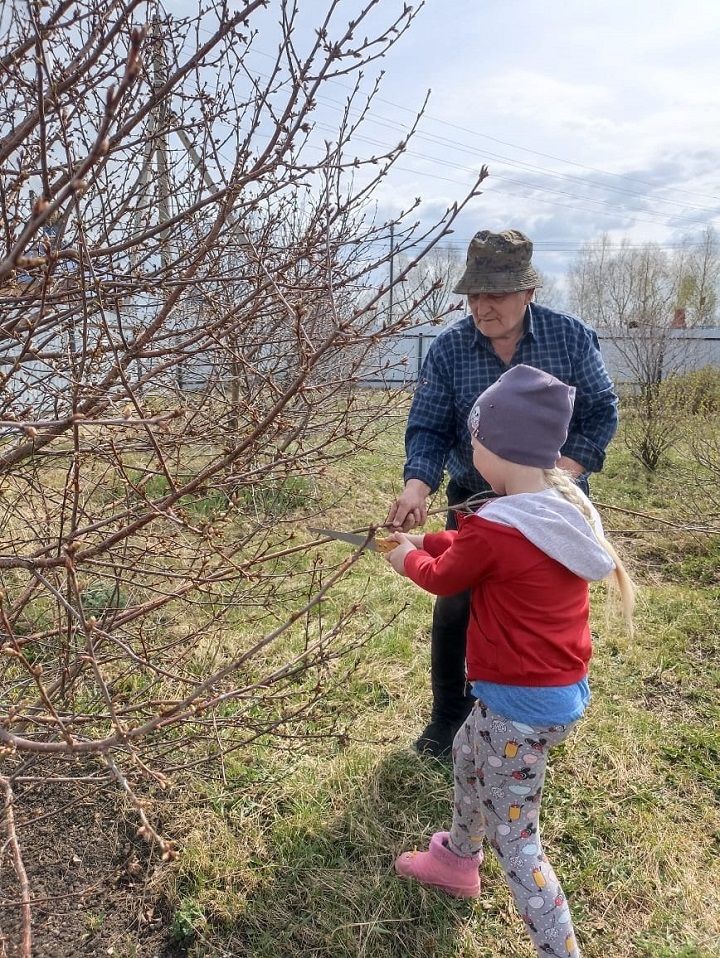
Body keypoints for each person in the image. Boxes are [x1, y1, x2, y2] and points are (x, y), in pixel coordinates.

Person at [384, 364, 635, 958]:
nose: (472, 451)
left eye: (474, 440)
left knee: (519, 840)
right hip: (548, 691)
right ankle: (456, 860)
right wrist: (428, 539)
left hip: (517, 703)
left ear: (496, 447)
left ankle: (559, 949)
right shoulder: (554, 512)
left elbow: (447, 575)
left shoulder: (501, 527)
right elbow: (471, 547)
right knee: (469, 751)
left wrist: (403, 557)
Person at [387, 229, 619, 757]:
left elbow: (602, 412)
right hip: (475, 501)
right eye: (474, 295)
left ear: (527, 293)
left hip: (551, 506)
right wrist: (418, 483)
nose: (482, 307)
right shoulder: (449, 349)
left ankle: (533, 709)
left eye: (495, 294)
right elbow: (428, 425)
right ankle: (450, 717)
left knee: (534, 608)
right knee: (456, 605)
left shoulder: (570, 338)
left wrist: (551, 475)